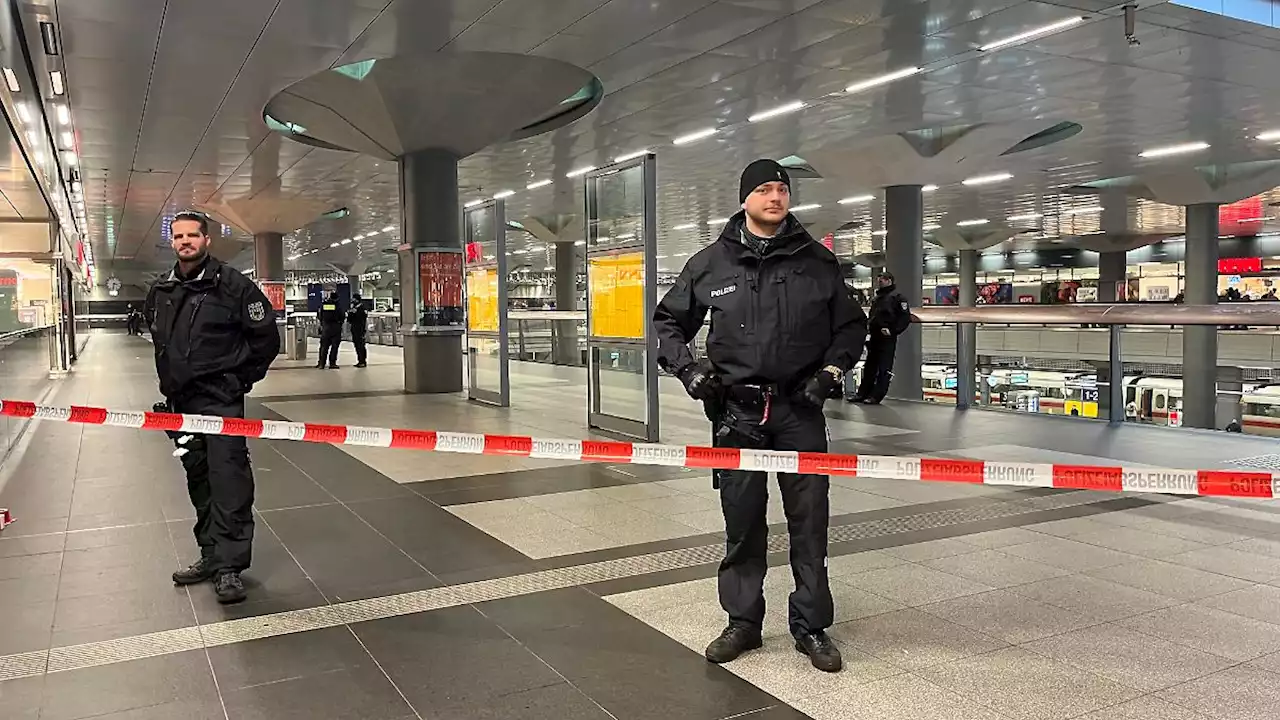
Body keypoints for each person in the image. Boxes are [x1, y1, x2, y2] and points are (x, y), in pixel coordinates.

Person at [653, 159, 867, 673]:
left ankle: (811, 626)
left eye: (782, 190)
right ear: (746, 199)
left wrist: (831, 374)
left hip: (800, 410)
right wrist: (688, 371)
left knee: (809, 521)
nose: (776, 197)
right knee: (742, 522)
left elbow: (851, 329)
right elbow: (667, 322)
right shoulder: (711, 264)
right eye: (765, 190)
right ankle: (743, 622)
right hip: (738, 414)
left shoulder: (817, 262)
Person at [145, 210, 279, 604]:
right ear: (173, 242)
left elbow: (265, 340)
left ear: (207, 240)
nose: (185, 241)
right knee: (198, 478)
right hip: (179, 405)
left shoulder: (234, 287)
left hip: (220, 404)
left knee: (228, 480)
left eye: (193, 235)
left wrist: (238, 381)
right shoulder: (163, 290)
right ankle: (210, 554)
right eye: (178, 236)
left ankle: (229, 568)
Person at [846, 271, 911, 404]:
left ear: (890, 281)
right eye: (879, 278)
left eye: (884, 279)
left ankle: (877, 395)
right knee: (869, 366)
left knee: (884, 367)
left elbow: (905, 317)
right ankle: (863, 393)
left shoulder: (898, 297)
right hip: (874, 336)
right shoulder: (877, 298)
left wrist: (893, 331)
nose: (880, 281)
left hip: (886, 337)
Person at [317, 289, 343, 369]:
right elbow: (341, 316)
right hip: (335, 328)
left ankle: (321, 363)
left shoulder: (324, 305)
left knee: (324, 347)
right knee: (334, 347)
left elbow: (319, 315)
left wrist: (322, 323)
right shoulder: (337, 306)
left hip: (326, 328)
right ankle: (332, 363)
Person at [347, 292, 369, 368]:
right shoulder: (354, 308)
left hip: (360, 329)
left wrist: (353, 313)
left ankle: (362, 361)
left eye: (353, 298)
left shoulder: (362, 308)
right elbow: (349, 319)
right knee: (357, 345)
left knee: (360, 345)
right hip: (355, 328)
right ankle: (360, 360)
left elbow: (362, 317)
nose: (352, 300)